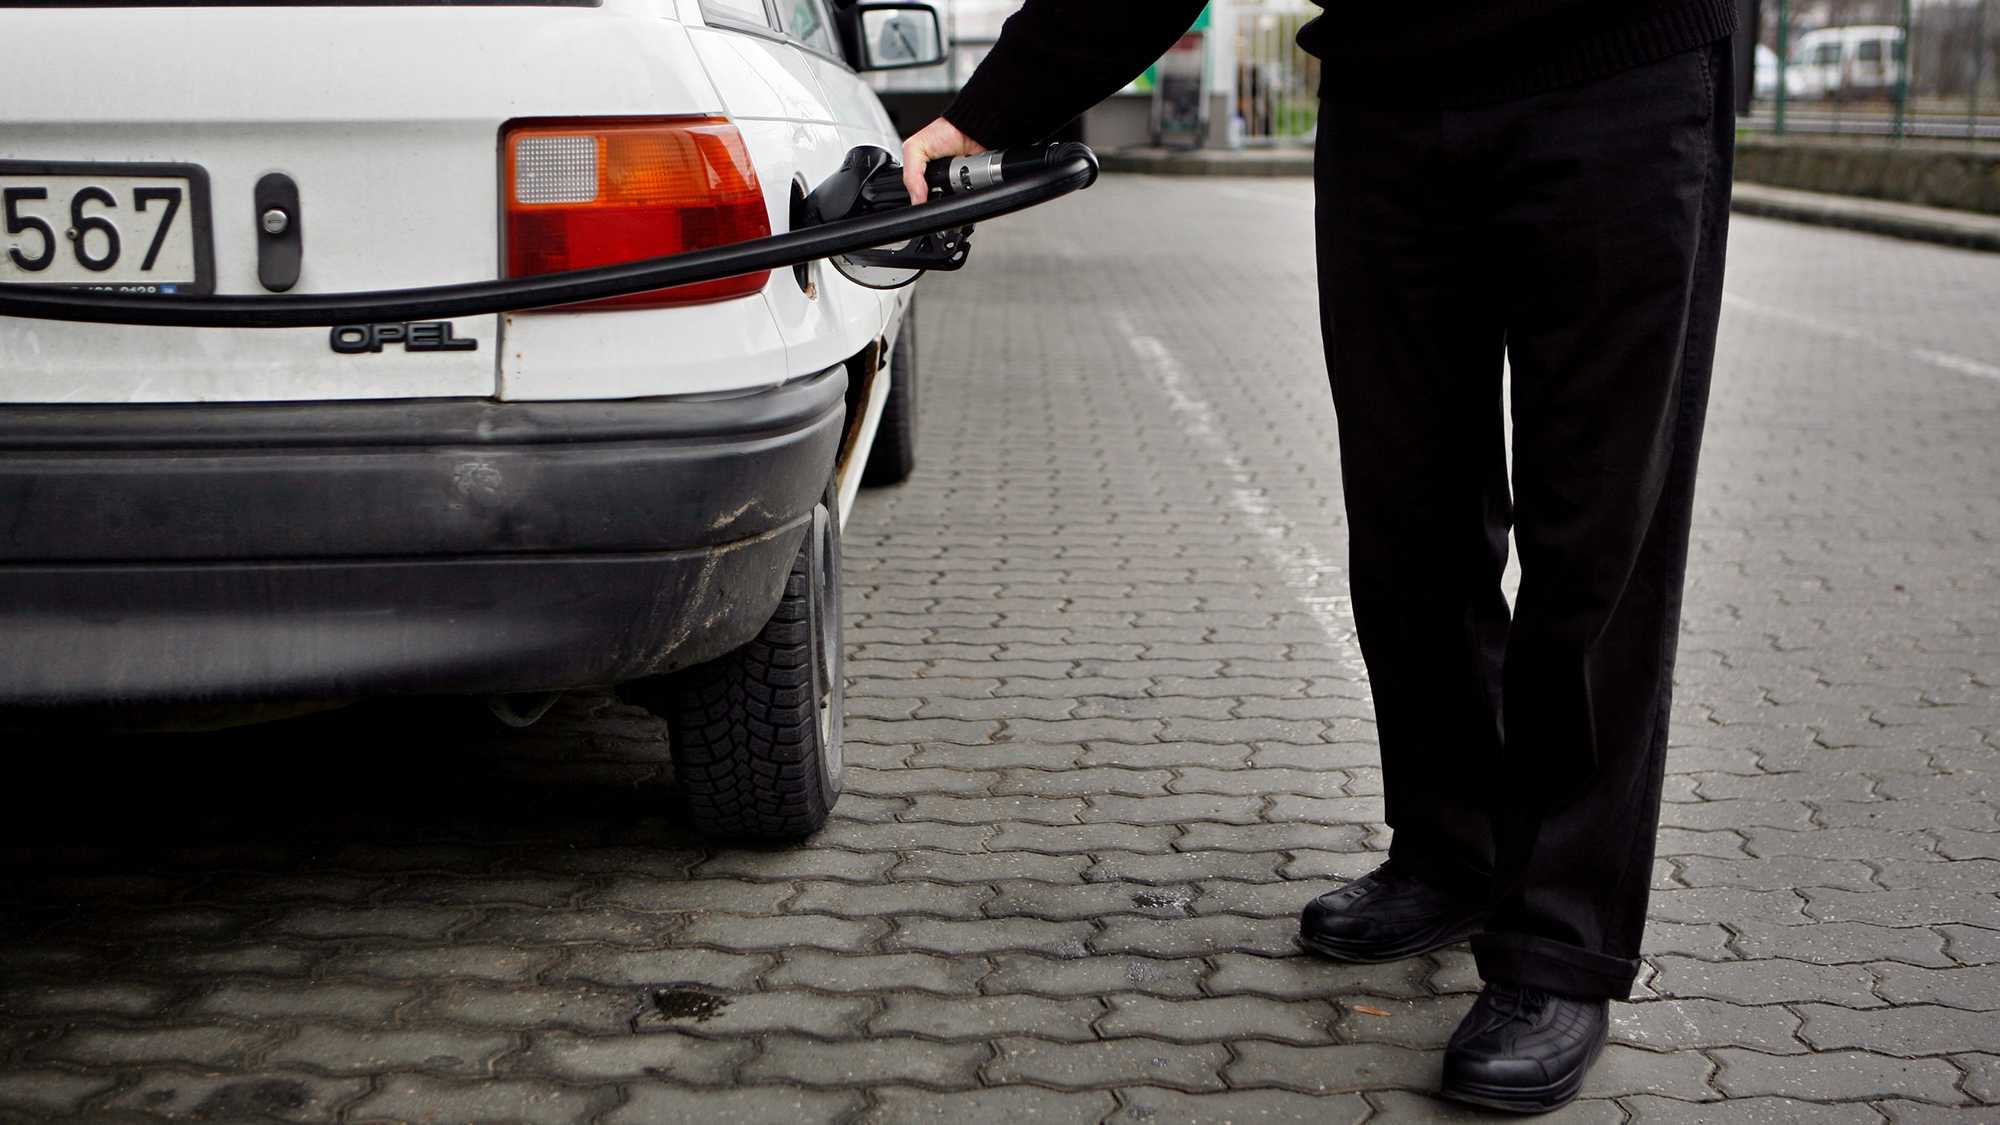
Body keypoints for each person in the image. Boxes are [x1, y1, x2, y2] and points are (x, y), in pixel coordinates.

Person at [901, 0, 1739, 1113]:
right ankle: (1451, 853)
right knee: (1408, 515)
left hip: (1617, 74)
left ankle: (1557, 943)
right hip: (1389, 96)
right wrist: (986, 112)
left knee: (1597, 535)